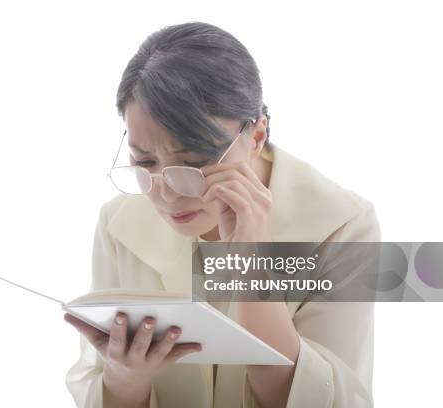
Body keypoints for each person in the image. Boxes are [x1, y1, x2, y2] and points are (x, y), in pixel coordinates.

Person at [63, 21, 379, 408]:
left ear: (257, 135)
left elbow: (336, 400)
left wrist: (253, 262)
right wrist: (125, 380)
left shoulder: (343, 225)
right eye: (143, 160)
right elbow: (96, 386)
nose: (167, 191)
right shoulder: (118, 223)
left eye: (194, 162)